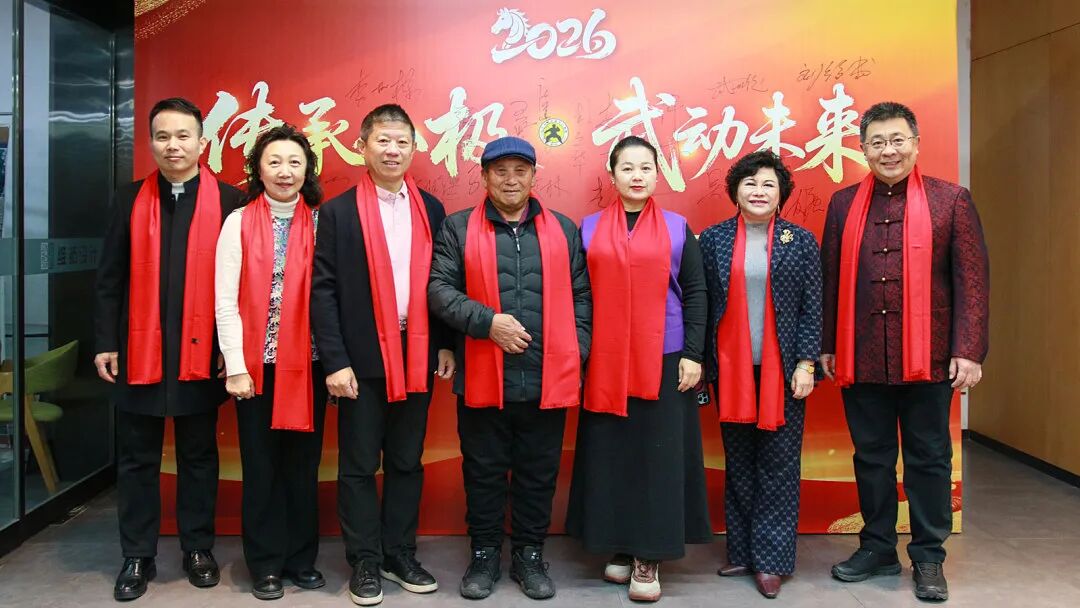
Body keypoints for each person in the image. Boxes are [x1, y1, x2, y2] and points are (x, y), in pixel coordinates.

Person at [821, 102, 989, 602]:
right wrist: (827, 345)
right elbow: (831, 279)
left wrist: (968, 350)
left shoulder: (950, 200)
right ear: (863, 149)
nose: (888, 151)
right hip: (862, 355)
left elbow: (972, 281)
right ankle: (876, 547)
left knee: (930, 459)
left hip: (931, 358)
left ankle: (929, 556)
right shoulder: (843, 204)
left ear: (915, 144)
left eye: (897, 140)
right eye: (877, 142)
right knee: (871, 457)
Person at [428, 136, 591, 601]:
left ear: (534, 176)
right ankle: (484, 556)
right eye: (500, 171)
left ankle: (529, 556)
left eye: (521, 170)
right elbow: (439, 289)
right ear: (484, 177)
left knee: (538, 475)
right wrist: (488, 323)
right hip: (482, 376)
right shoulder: (458, 227)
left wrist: (576, 350)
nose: (511, 180)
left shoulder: (563, 229)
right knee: (483, 473)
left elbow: (582, 295)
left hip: (546, 378)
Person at [94, 97, 244, 601]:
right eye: (162, 136)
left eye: (183, 136)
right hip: (138, 351)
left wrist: (230, 347)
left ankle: (198, 548)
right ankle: (137, 555)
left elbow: (240, 284)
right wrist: (106, 342)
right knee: (137, 458)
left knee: (199, 455)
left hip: (201, 353)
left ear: (203, 142)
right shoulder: (128, 199)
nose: (172, 145)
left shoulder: (230, 201)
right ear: (151, 142)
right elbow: (109, 278)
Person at [310, 104, 454, 606]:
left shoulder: (431, 209)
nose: (393, 151)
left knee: (407, 461)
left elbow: (443, 284)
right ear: (362, 147)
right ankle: (365, 561)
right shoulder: (338, 212)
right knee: (357, 465)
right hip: (360, 357)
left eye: (402, 142)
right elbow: (322, 291)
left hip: (417, 353)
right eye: (383, 141)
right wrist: (335, 361)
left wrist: (444, 343)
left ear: (413, 148)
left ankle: (399, 554)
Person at [565, 136, 711, 602]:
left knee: (658, 457)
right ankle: (623, 546)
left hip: (665, 357)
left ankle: (650, 555)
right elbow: (577, 294)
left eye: (646, 167)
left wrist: (693, 353)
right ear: (612, 176)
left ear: (657, 174)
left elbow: (697, 292)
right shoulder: (587, 229)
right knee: (614, 454)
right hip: (605, 360)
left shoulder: (677, 228)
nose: (636, 176)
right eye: (627, 168)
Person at [699, 150, 822, 599]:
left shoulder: (799, 241)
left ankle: (771, 559)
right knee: (740, 462)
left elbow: (812, 306)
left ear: (781, 194)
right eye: (749, 183)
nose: (758, 191)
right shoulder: (712, 240)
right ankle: (743, 552)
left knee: (778, 465)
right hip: (730, 371)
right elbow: (703, 304)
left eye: (768, 184)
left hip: (784, 373)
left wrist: (806, 363)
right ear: (735, 191)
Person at [214, 125, 327, 600]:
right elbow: (224, 300)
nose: (285, 171)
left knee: (303, 467)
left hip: (310, 366)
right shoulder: (238, 222)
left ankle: (301, 560)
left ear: (307, 170)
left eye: (294, 162)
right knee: (261, 469)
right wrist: (236, 365)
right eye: (274, 162)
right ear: (258, 169)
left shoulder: (322, 223)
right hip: (256, 369)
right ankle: (264, 564)